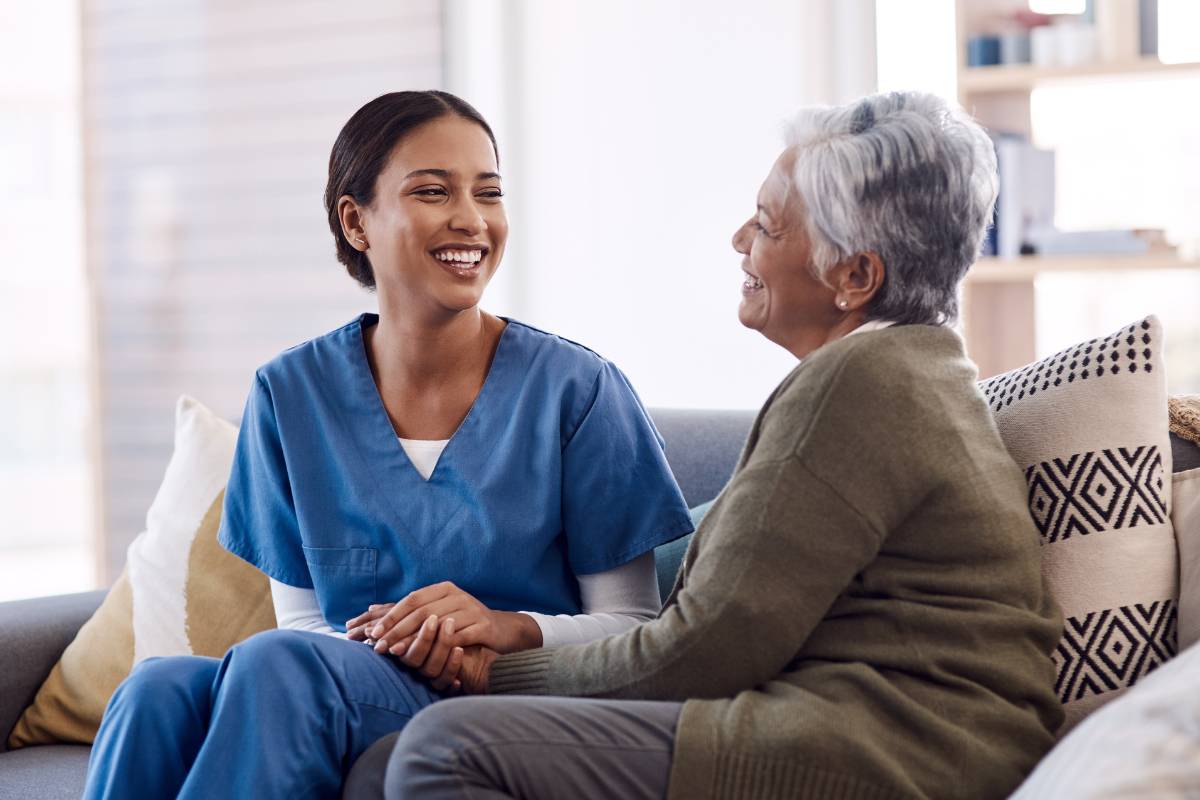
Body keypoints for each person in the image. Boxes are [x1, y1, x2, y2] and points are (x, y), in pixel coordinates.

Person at [380, 91, 1065, 800]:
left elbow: (704, 650)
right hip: (881, 731)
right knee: (383, 763)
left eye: (767, 225)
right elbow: (721, 582)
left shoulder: (859, 386)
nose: (740, 239)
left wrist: (492, 674)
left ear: (855, 277)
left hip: (894, 745)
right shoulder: (909, 372)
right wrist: (513, 624)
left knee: (447, 746)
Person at [80, 90, 693, 800]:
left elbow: (633, 629)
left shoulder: (579, 390)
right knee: (157, 689)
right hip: (338, 684)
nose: (471, 218)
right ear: (356, 220)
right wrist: (395, 640)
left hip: (508, 702)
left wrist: (504, 628)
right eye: (433, 191)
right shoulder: (289, 394)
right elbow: (307, 628)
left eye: (488, 192)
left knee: (282, 666)